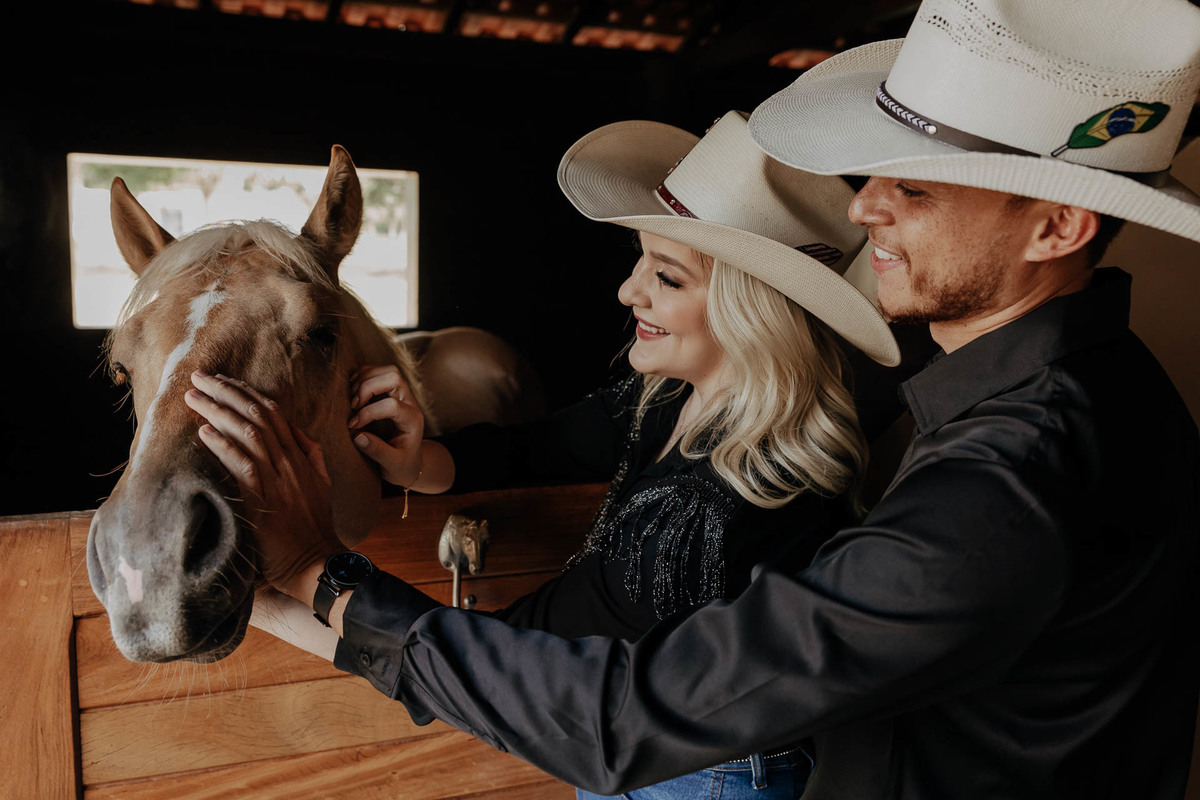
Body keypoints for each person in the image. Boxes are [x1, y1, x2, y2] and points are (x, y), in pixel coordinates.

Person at [184, 0, 1200, 797]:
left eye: (917, 189)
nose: (863, 207)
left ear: (1058, 228)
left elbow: (628, 715)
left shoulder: (1011, 483)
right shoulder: (1080, 399)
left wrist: (320, 575)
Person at [189, 111, 901, 799]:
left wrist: (304, 581)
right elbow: (532, 447)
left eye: (668, 278)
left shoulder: (743, 499)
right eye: (640, 264)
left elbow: (533, 668)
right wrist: (416, 462)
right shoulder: (657, 400)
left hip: (701, 780)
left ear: (755, 311)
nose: (628, 292)